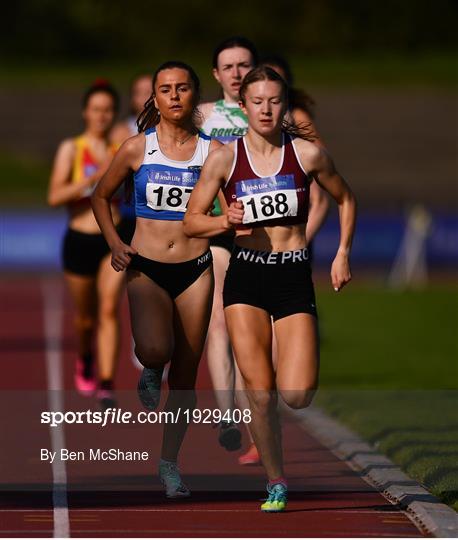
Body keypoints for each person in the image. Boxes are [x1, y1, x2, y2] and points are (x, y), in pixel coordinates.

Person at [184, 66, 357, 512]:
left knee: (296, 395)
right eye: (256, 101)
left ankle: (273, 410)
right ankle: (276, 480)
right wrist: (225, 220)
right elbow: (191, 219)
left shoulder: (307, 155)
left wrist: (341, 253)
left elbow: (346, 198)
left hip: (293, 275)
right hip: (247, 276)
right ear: (243, 108)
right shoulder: (224, 159)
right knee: (259, 393)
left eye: (273, 101)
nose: (265, 108)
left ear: (284, 106)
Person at [91, 61, 220, 498]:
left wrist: (228, 221)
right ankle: (149, 366)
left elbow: (226, 208)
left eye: (183, 88)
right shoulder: (136, 148)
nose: (175, 96)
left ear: (194, 95)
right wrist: (114, 242)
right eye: (165, 89)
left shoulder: (213, 152)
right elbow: (101, 195)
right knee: (155, 348)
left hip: (195, 268)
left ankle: (169, 464)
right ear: (156, 99)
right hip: (146, 265)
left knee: (185, 377)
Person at [47, 80, 127, 410]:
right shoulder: (72, 149)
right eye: (96, 109)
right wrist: (92, 180)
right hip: (79, 240)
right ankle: (85, 355)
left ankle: (107, 384)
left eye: (107, 110)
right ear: (85, 112)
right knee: (85, 319)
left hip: (113, 238)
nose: (101, 116)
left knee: (109, 309)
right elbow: (54, 197)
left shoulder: (122, 147)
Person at [199, 36, 258, 456]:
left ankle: (260, 420)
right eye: (229, 66)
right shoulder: (202, 115)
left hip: (265, 234)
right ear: (216, 74)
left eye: (244, 65)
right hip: (221, 231)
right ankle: (227, 413)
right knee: (219, 319)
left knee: (255, 332)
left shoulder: (272, 111)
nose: (237, 73)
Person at [110, 73, 154, 369]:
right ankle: (144, 338)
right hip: (132, 217)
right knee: (140, 285)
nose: (148, 98)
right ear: (133, 98)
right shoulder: (122, 132)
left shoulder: (176, 130)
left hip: (168, 219)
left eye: (154, 91)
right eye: (142, 92)